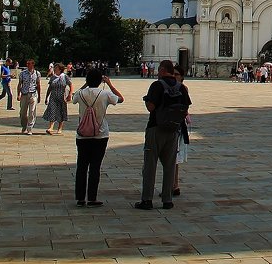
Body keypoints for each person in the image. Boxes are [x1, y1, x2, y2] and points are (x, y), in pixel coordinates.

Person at [135, 59, 191, 210]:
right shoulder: (182, 87)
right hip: (173, 129)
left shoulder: (157, 85)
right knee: (170, 166)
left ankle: (147, 200)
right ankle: (167, 200)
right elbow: (185, 110)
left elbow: (151, 107)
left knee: (150, 165)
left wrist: (147, 100)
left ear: (161, 70)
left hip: (156, 128)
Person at [71, 68, 123, 207]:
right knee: (95, 167)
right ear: (101, 80)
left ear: (87, 80)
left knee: (81, 166)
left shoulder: (81, 93)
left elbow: (73, 97)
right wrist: (110, 84)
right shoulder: (104, 93)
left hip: (82, 135)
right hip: (100, 134)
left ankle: (80, 198)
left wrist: (85, 84)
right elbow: (121, 99)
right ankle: (92, 198)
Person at [171, 64, 189, 197]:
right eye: (173, 74)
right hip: (168, 124)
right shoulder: (167, 87)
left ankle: (174, 184)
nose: (174, 76)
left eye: (176, 74)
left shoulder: (183, 88)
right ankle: (172, 184)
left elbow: (185, 108)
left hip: (177, 126)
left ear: (182, 77)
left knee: (174, 157)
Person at [43, 63, 72, 134]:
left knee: (61, 111)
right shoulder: (53, 77)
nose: (54, 69)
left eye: (55, 67)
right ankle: (51, 127)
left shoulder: (64, 76)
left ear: (59, 69)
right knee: (52, 110)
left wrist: (70, 94)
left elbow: (70, 85)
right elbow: (49, 88)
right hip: (53, 96)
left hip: (62, 96)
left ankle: (60, 128)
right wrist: (46, 97)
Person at [17, 59, 42, 135]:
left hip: (33, 94)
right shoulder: (22, 73)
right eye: (27, 63)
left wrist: (39, 96)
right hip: (24, 94)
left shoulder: (37, 73)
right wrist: (18, 94)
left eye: (29, 64)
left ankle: (29, 128)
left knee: (32, 112)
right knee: (22, 113)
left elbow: (38, 85)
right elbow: (19, 84)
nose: (28, 65)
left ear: (33, 64)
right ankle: (24, 125)